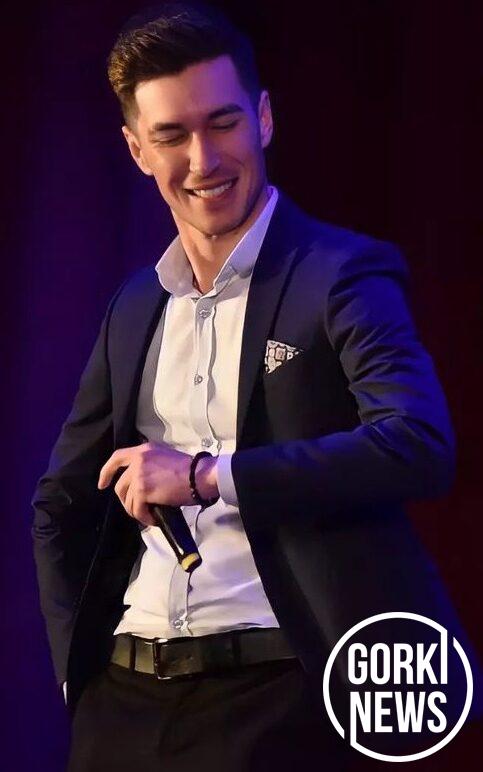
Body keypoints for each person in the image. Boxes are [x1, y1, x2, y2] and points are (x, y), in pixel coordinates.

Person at [32, 3, 461, 770]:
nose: (202, 159)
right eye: (171, 135)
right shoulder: (134, 305)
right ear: (137, 149)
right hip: (122, 704)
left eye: (222, 123)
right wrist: (79, 679)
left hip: (277, 691)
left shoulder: (339, 274)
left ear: (262, 118)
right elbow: (60, 504)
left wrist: (207, 476)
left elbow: (417, 444)